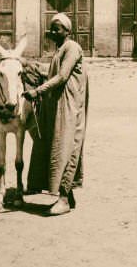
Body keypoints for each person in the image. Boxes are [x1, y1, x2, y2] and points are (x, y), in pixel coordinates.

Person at [23, 12, 89, 215]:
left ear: (68, 31)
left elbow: (61, 76)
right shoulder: (60, 49)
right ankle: (67, 196)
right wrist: (29, 66)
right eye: (52, 28)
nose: (53, 31)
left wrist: (37, 91)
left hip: (69, 106)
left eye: (57, 28)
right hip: (58, 105)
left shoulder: (72, 48)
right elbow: (52, 72)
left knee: (66, 146)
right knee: (53, 144)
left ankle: (63, 199)